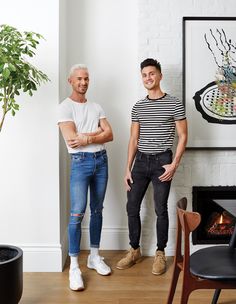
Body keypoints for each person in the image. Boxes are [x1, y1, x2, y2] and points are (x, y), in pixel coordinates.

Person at [116, 58, 187, 275]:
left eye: (152, 74)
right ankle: (134, 250)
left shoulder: (174, 103)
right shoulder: (138, 106)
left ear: (160, 75)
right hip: (140, 162)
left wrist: (174, 164)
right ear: (142, 78)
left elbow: (183, 135)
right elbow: (133, 140)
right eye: (144, 75)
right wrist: (127, 168)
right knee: (132, 207)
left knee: (160, 209)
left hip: (162, 162)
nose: (148, 78)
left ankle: (160, 253)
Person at [58, 64, 113, 291]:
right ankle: (74, 267)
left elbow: (110, 134)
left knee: (98, 209)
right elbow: (72, 140)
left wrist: (87, 137)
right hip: (80, 163)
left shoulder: (96, 106)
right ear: (70, 81)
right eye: (79, 79)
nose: (83, 82)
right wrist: (96, 135)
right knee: (77, 214)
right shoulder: (64, 107)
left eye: (86, 78)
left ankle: (94, 256)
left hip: (101, 161)